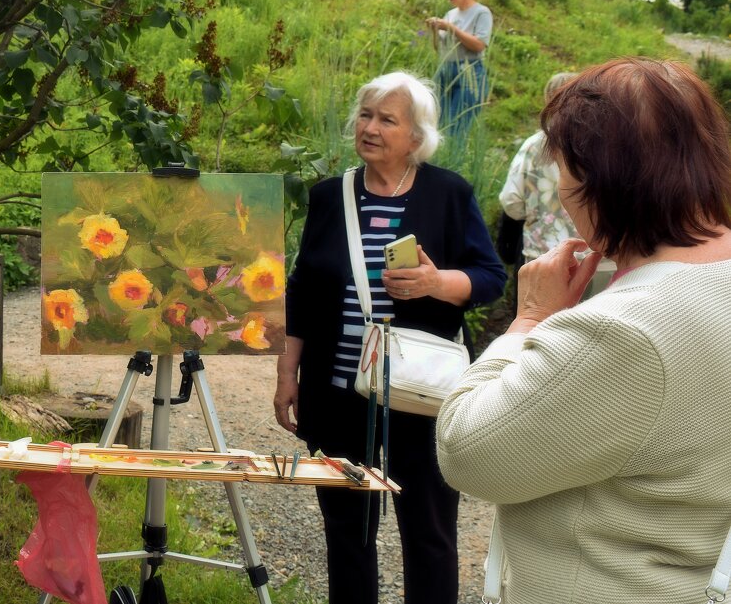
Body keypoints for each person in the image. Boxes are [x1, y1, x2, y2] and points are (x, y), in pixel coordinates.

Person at [437, 58, 731, 603]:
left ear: (599, 181)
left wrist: (527, 320)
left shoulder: (626, 332)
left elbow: (467, 452)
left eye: (565, 169)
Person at [274, 71, 506, 604]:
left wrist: (436, 282)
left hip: (420, 395)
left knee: (428, 529)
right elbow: (303, 291)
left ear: (416, 138)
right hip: (336, 393)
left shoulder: (449, 193)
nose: (371, 127)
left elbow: (490, 277)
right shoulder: (331, 197)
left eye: (387, 119)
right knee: (347, 531)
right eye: (365, 115)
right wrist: (288, 374)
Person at [498, 72, 614, 301]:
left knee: (539, 326)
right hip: (601, 258)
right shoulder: (609, 143)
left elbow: (511, 203)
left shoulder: (536, 145)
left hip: (544, 258)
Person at [426, 0, 492, 136]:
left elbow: (479, 45)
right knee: (434, 124)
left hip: (468, 71)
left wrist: (451, 28)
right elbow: (441, 49)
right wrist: (435, 31)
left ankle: (452, 161)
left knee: (456, 127)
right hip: (445, 70)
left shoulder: (481, 12)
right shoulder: (450, 14)